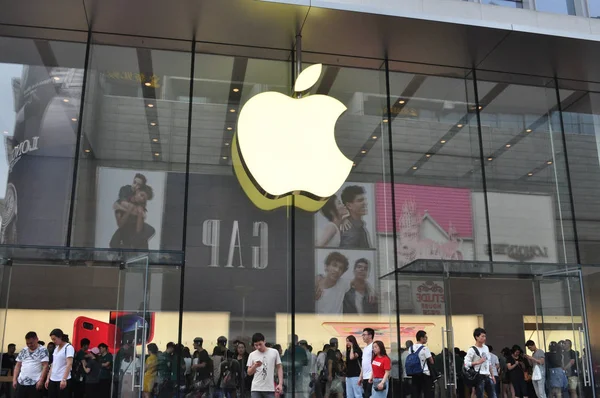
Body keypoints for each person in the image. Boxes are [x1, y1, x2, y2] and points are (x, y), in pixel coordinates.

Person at [110, 184, 155, 249]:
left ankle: (133, 248)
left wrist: (139, 215)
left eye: (144, 199)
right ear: (137, 191)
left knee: (149, 232)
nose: (141, 199)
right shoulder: (121, 201)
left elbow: (138, 230)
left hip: (135, 234)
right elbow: (120, 224)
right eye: (141, 195)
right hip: (124, 230)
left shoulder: (141, 207)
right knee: (113, 244)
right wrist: (128, 210)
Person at [13, 332, 49, 398]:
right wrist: (14, 379)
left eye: (31, 343)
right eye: (27, 343)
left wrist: (41, 380)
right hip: (21, 382)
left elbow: (45, 366)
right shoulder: (24, 350)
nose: (29, 345)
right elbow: (17, 365)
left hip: (35, 382)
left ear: (37, 339)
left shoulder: (43, 350)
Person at [247, 333, 283, 398]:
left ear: (264, 341)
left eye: (260, 344)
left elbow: (279, 367)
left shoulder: (274, 352)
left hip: (269, 388)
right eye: (256, 345)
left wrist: (280, 384)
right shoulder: (252, 355)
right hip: (256, 388)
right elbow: (249, 372)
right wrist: (255, 366)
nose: (258, 347)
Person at [464, 328, 495, 398]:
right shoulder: (472, 350)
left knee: (493, 395)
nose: (484, 338)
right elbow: (466, 363)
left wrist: (492, 375)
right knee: (480, 395)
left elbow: (489, 362)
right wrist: (477, 362)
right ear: (476, 337)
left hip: (488, 375)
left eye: (485, 336)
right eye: (482, 336)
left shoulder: (486, 348)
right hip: (479, 376)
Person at [45, 329, 74, 398]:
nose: (53, 341)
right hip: (53, 379)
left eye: (54, 339)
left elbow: (69, 364)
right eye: (52, 339)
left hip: (62, 379)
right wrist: (48, 378)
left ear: (60, 337)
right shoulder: (56, 348)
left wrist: (64, 379)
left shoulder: (68, 347)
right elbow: (53, 364)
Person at [407, 331, 434, 398]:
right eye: (425, 337)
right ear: (421, 338)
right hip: (424, 373)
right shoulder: (425, 348)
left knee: (416, 392)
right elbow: (431, 361)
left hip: (414, 373)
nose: (426, 338)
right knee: (427, 392)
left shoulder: (411, 348)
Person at [360, 328, 375, 398]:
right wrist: (361, 376)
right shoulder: (365, 348)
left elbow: (374, 362)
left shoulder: (373, 347)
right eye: (362, 335)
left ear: (370, 336)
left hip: (371, 376)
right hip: (365, 377)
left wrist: (372, 376)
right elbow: (364, 363)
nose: (363, 336)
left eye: (364, 335)